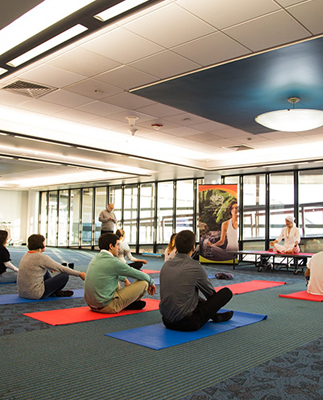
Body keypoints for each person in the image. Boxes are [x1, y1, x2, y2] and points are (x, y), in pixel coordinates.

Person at [159, 230, 233, 332]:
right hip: (187, 323)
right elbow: (211, 295)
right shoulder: (195, 267)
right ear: (193, 247)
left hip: (166, 321)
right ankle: (215, 316)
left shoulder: (165, 265)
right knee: (226, 293)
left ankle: (215, 317)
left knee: (188, 292)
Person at [84, 233, 156, 313]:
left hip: (92, 304)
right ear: (111, 246)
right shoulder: (113, 261)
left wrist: (124, 279)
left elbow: (109, 273)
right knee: (144, 282)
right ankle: (127, 303)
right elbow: (135, 273)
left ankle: (126, 302)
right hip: (106, 306)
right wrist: (151, 282)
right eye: (117, 245)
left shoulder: (95, 258)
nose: (118, 248)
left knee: (114, 277)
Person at [17, 234, 85, 299]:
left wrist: (48, 268)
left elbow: (35, 267)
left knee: (45, 271)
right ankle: (55, 292)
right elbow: (61, 268)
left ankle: (55, 292)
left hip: (22, 293)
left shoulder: (26, 255)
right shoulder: (41, 257)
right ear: (41, 244)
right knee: (64, 276)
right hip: (35, 294)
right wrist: (79, 274)